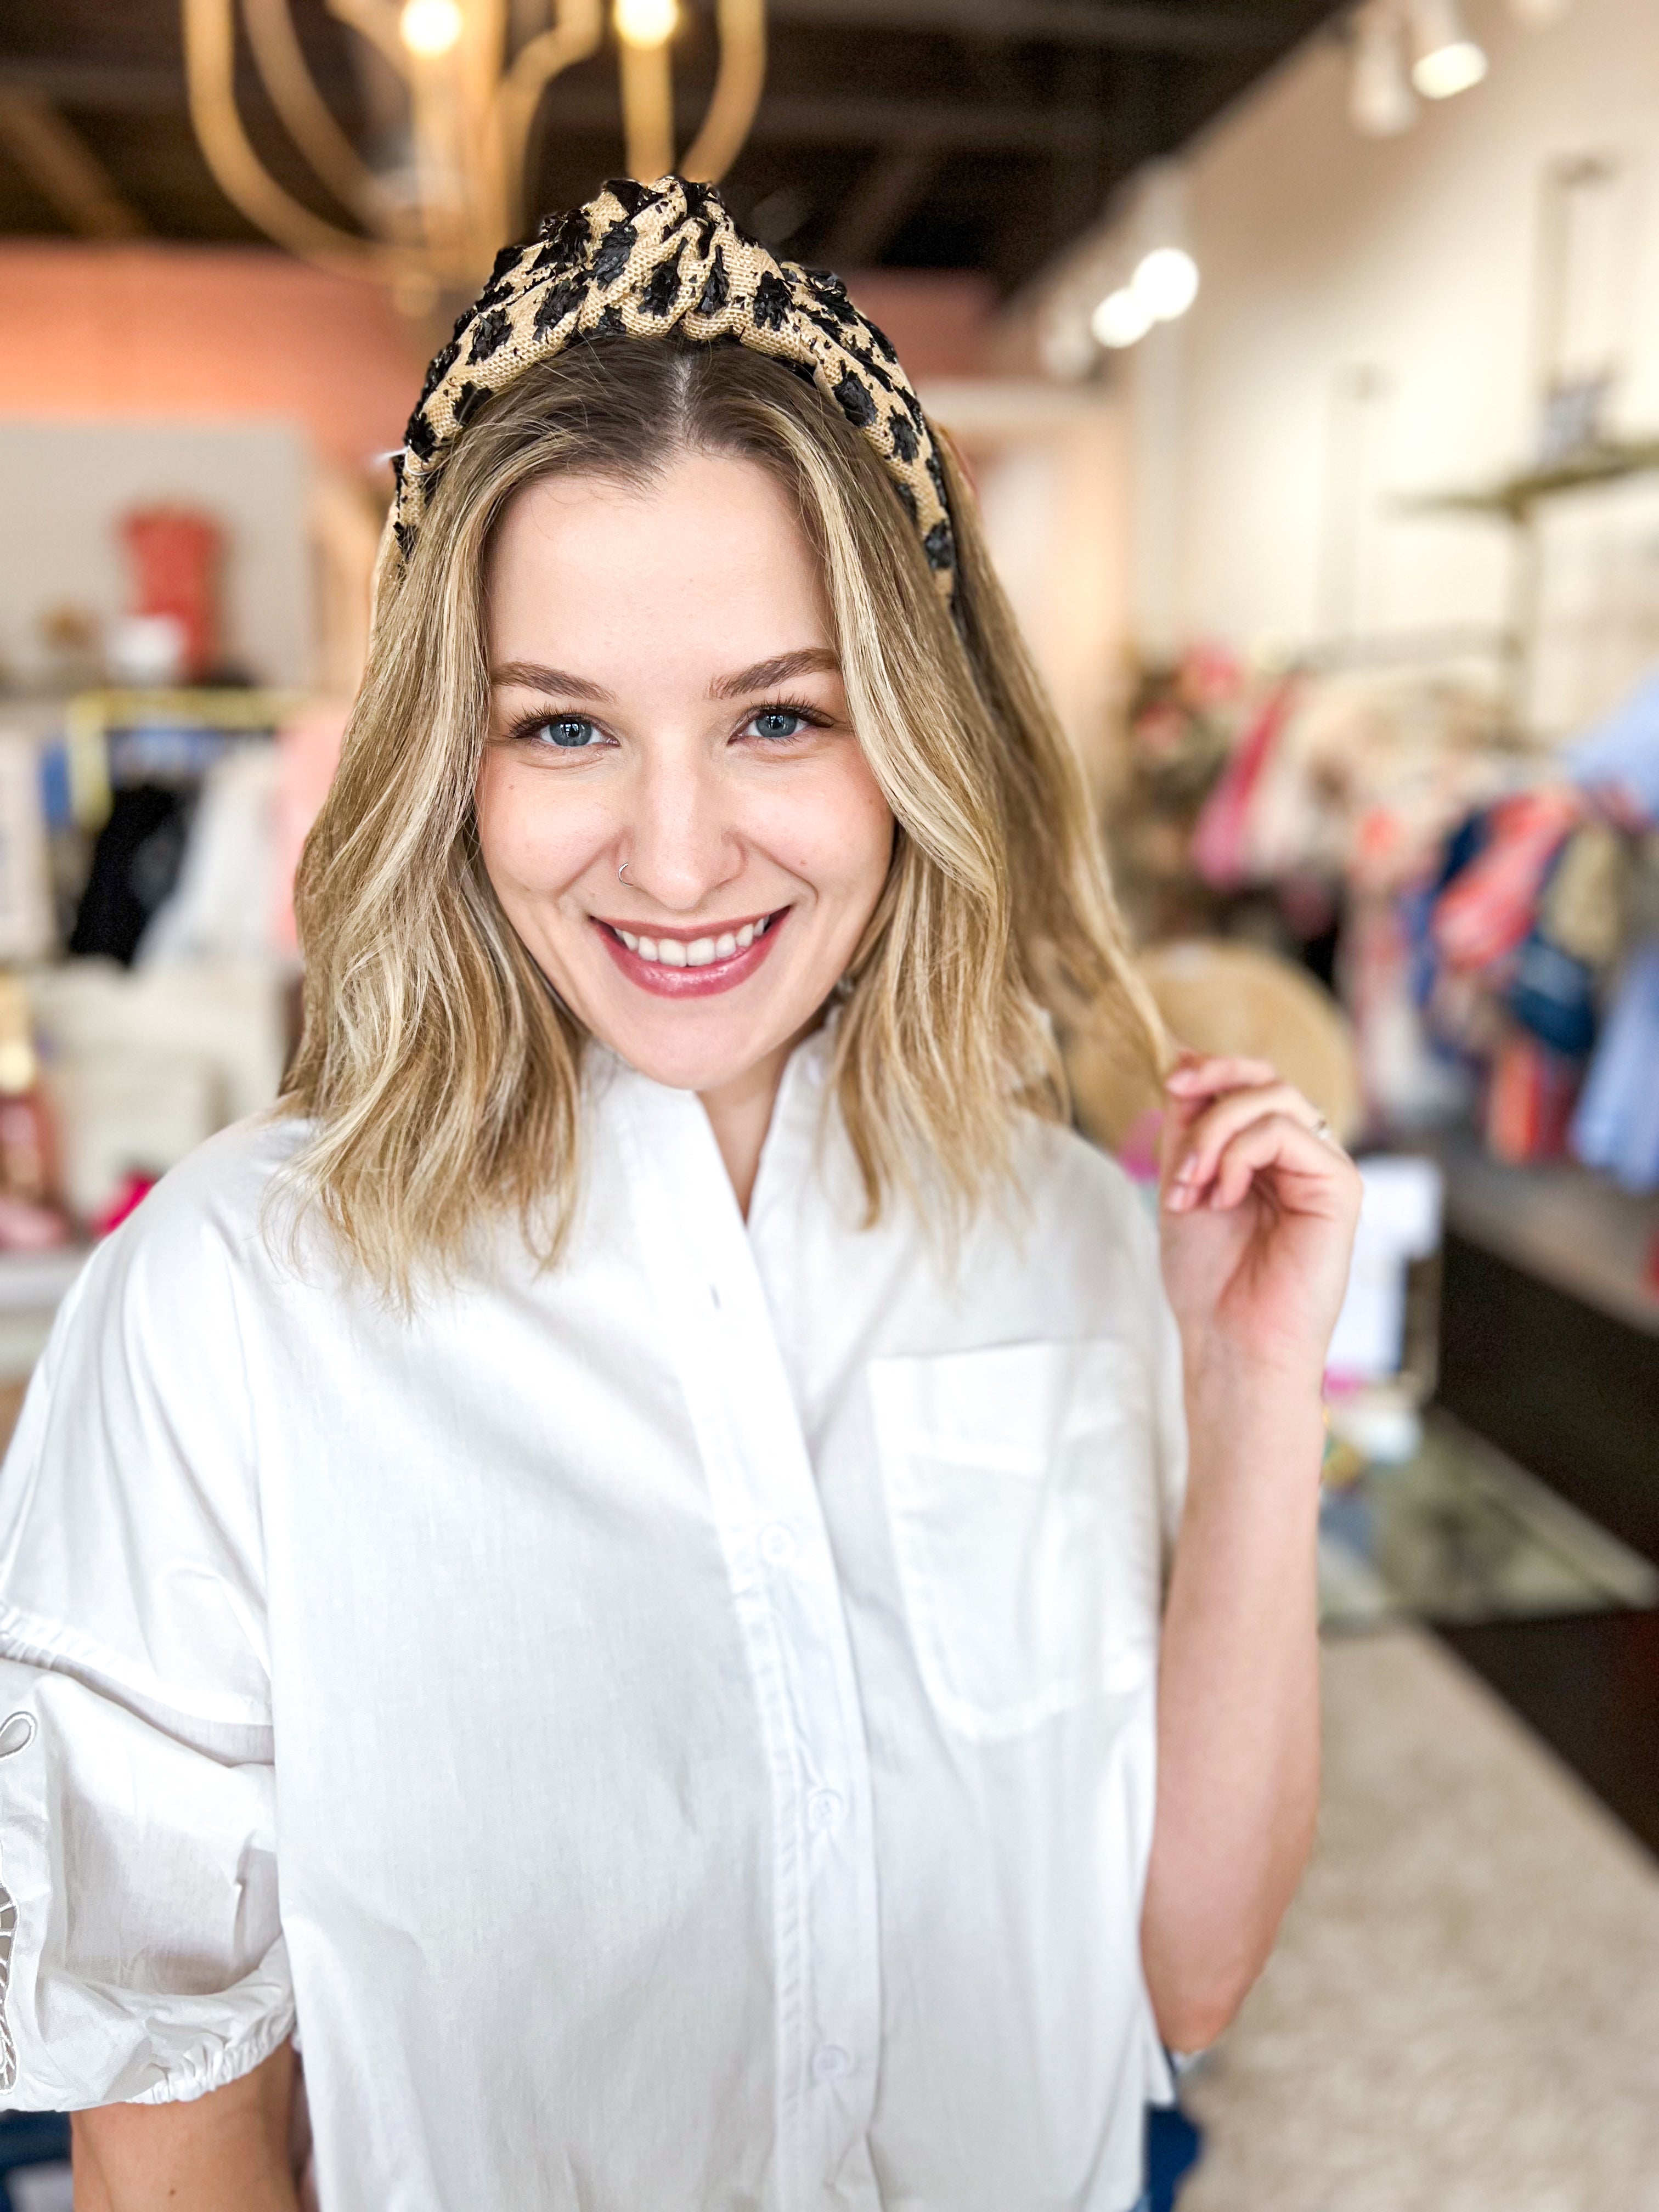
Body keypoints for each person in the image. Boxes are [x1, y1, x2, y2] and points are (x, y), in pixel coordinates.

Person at [0, 179, 1359, 2211]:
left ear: (919, 734)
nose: (674, 852)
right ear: (449, 759)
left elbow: (1187, 1972)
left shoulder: (1080, 1242)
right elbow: (168, 2109)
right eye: (564, 726)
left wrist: (1254, 1396)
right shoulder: (230, 1303)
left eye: (779, 718)